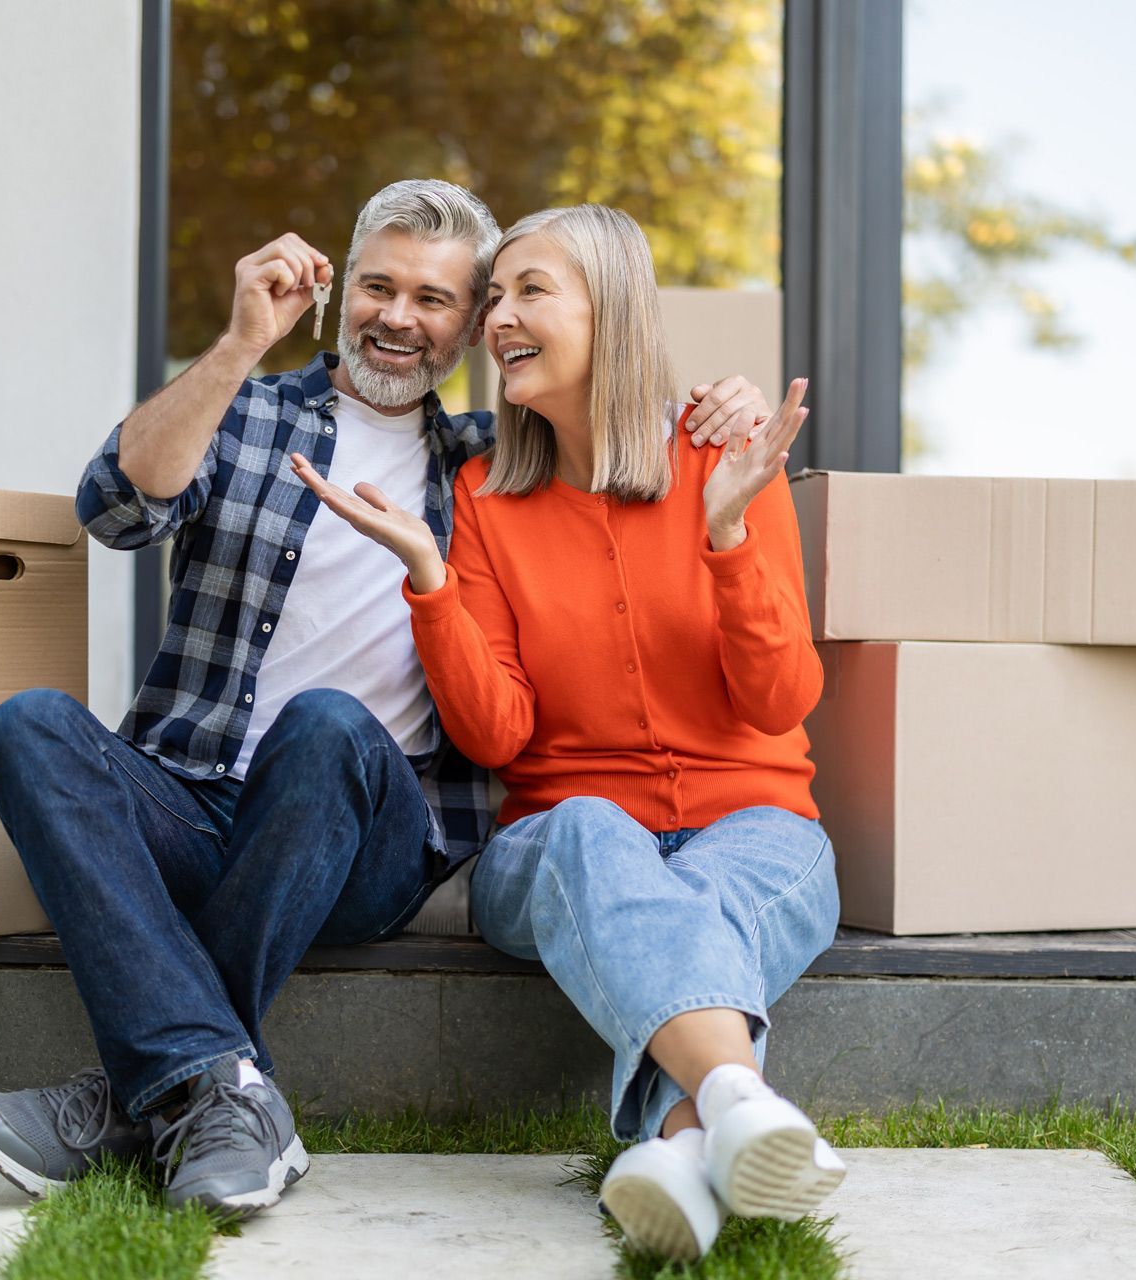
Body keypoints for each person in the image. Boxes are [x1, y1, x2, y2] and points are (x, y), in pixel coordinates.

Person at [0, 179, 778, 1218]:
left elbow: (615, 413)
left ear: (476, 321)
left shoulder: (491, 460)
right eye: (381, 287)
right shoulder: (243, 407)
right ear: (342, 290)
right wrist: (238, 345)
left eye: (436, 299)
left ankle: (136, 1093)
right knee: (25, 724)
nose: (400, 316)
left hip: (364, 828)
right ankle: (211, 1092)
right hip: (191, 796)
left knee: (328, 721)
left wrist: (721, 406)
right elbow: (114, 509)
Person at [292, 202, 843, 1260]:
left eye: (528, 290)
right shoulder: (486, 498)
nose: (497, 317)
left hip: (758, 821)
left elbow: (779, 703)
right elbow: (500, 735)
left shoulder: (724, 457)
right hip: (557, 846)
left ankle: (681, 1142)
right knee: (596, 827)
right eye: (493, 296)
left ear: (613, 310)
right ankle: (740, 1096)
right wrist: (432, 582)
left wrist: (728, 531)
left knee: (714, 887)